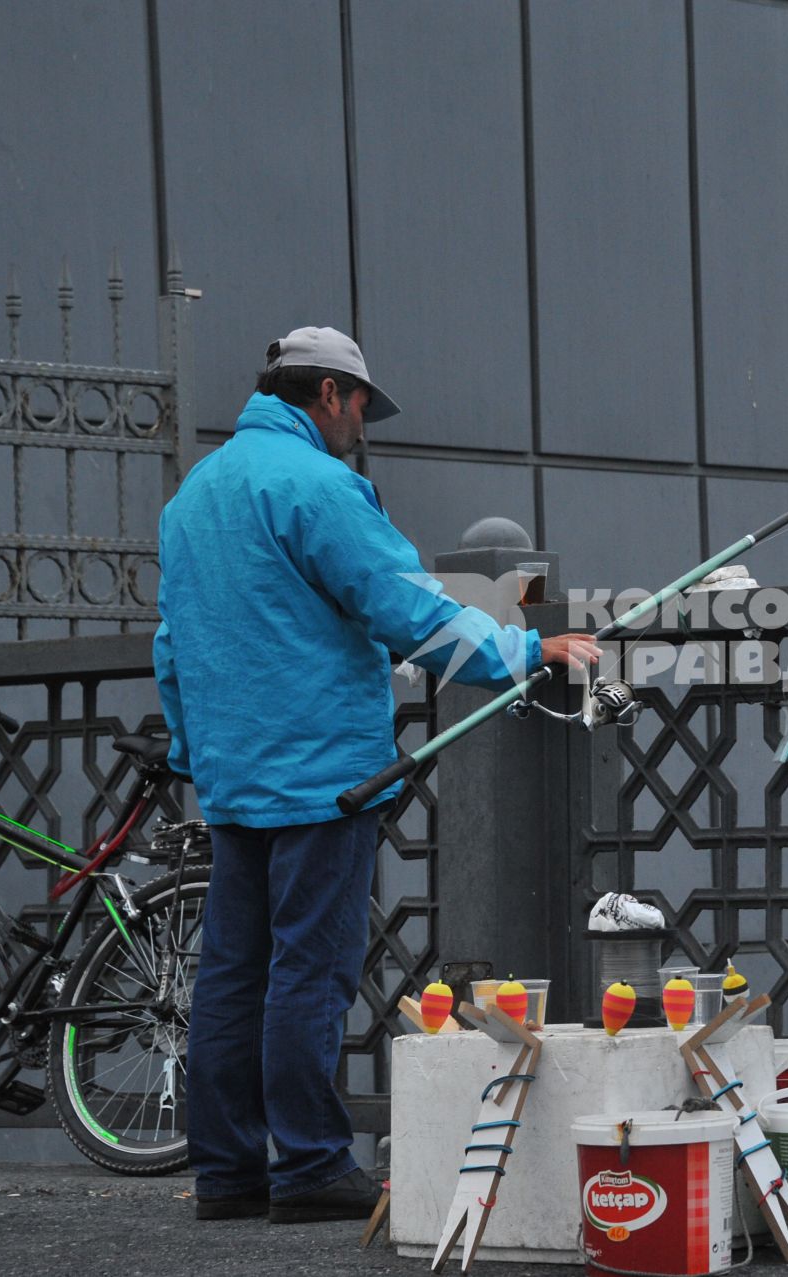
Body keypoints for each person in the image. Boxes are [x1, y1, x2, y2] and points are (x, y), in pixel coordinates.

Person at [153, 326, 599, 1224]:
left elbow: (174, 646)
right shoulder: (319, 486)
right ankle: (313, 1163)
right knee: (308, 972)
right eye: (361, 405)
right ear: (328, 394)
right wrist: (524, 649)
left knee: (233, 975)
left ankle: (228, 1172)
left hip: (235, 778)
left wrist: (195, 755)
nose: (363, 423)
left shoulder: (194, 497)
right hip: (324, 776)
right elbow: (405, 608)